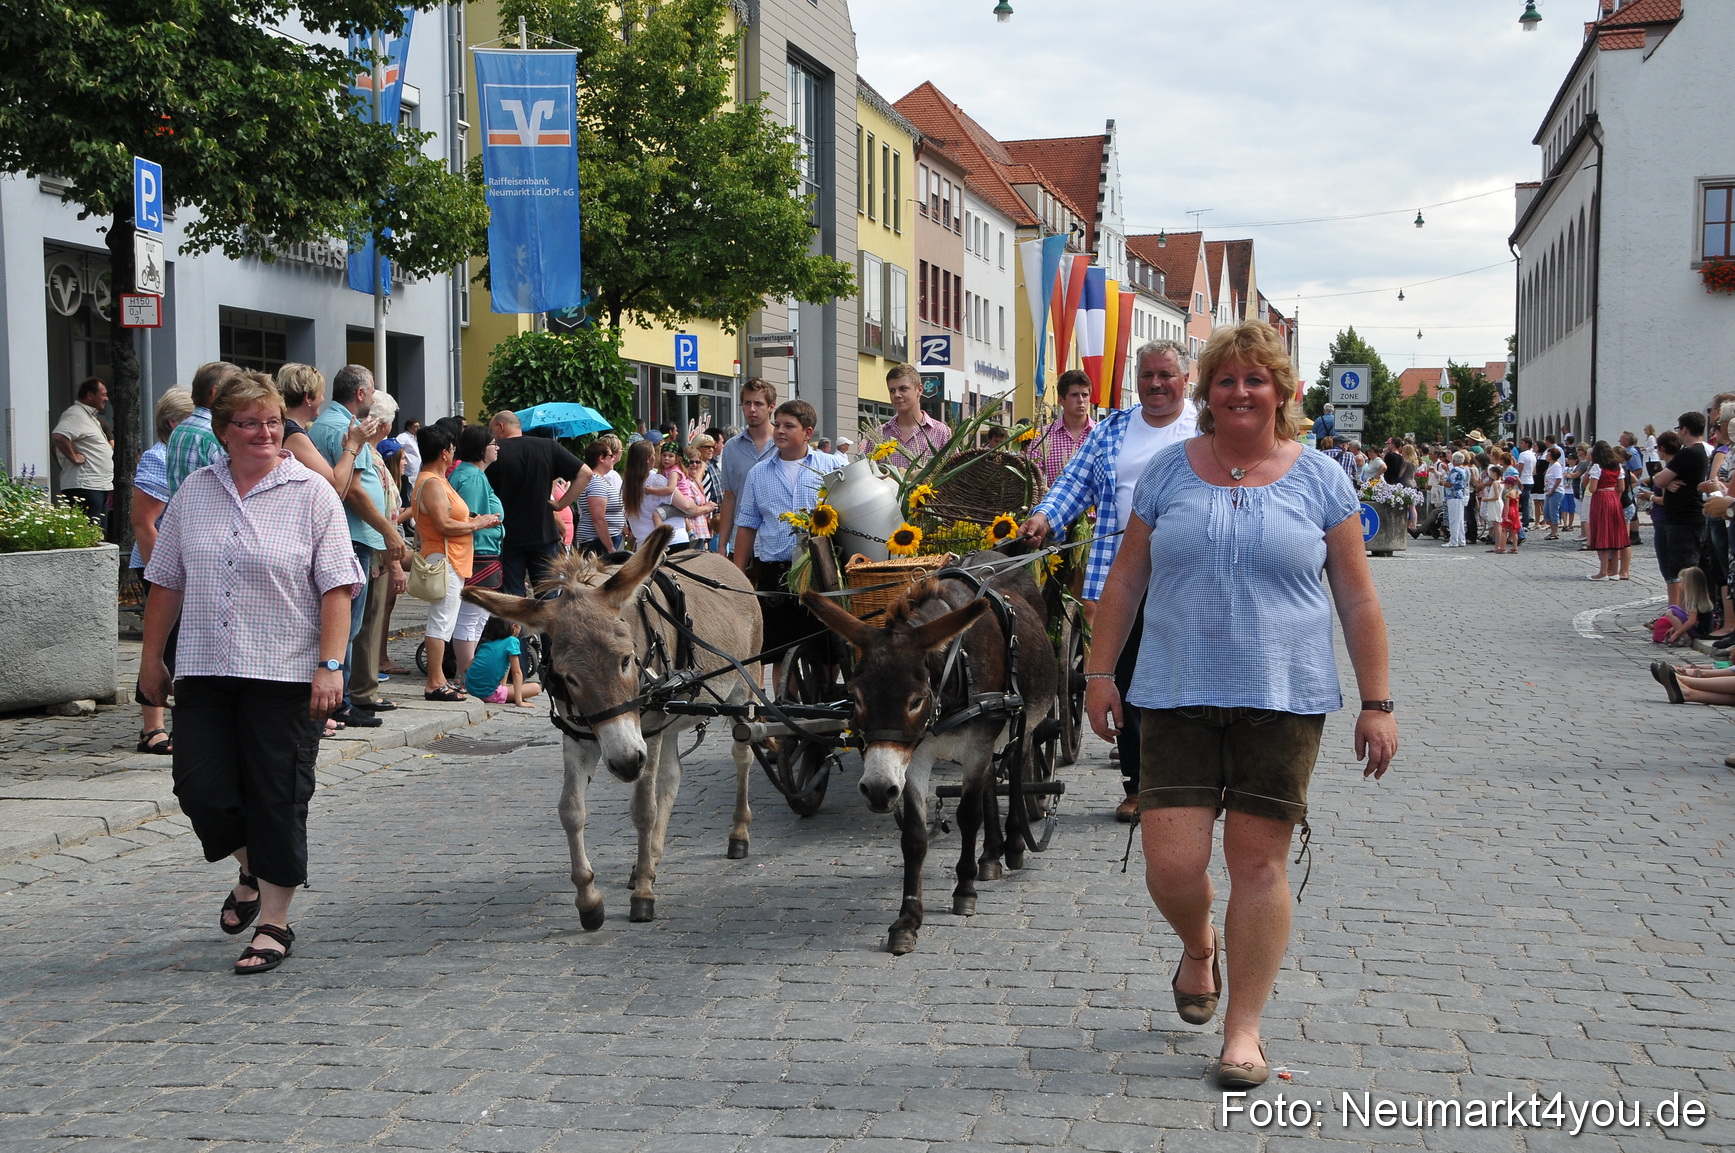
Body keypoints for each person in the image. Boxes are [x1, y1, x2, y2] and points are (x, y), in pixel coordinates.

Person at [1081, 320, 1396, 1089]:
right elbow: (1125, 580)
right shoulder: (1166, 472)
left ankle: (1243, 1029)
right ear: (1206, 393)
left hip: (1282, 697)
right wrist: (1097, 671)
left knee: (1257, 863)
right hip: (1174, 690)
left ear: (1282, 392)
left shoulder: (1319, 477)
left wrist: (1376, 700)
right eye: (1226, 379)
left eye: (1257, 378)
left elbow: (1354, 596)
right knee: (1173, 864)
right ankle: (1199, 943)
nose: (1241, 390)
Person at [138, 372, 364, 975]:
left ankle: (273, 923)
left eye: (272, 422)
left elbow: (339, 586)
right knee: (200, 788)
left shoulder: (312, 493)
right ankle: (249, 866)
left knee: (278, 793)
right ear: (223, 432)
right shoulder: (195, 493)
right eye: (250, 423)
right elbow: (166, 579)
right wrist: (151, 658)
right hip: (206, 669)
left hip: (287, 674)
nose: (265, 433)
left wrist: (330, 665)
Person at [1019, 340, 1200, 823]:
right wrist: (1044, 519)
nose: (1156, 384)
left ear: (1186, 378)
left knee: (1194, 677)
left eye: (1166, 375)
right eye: (1147, 376)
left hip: (1197, 576)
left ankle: (1194, 778)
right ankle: (1139, 785)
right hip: (1124, 574)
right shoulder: (1115, 430)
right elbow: (1074, 484)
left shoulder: (1207, 426)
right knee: (1129, 679)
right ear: (1135, 380)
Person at [306, 366, 404, 728]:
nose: (374, 397)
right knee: (347, 624)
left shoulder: (329, 424)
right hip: (352, 535)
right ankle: (341, 702)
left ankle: (343, 699)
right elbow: (354, 491)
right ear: (361, 394)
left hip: (351, 534)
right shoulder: (348, 428)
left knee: (346, 623)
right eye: (373, 390)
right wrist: (388, 531)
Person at [732, 400, 849, 665]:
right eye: (777, 425)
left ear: (807, 433)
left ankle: (823, 700)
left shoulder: (830, 468)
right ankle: (786, 703)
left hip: (822, 569)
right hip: (777, 572)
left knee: (825, 649)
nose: (780, 431)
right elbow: (747, 525)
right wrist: (738, 576)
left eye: (789, 426)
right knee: (780, 652)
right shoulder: (759, 473)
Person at [128, 387, 195, 756]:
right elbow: (144, 523)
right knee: (161, 643)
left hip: (186, 565)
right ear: (174, 423)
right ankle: (151, 727)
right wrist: (164, 573)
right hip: (161, 566)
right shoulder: (159, 457)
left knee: (181, 646)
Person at [411, 425, 500, 700]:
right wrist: (477, 523)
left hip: (449, 557)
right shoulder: (433, 482)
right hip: (444, 556)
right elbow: (443, 524)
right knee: (441, 620)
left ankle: (438, 679)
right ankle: (435, 681)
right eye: (451, 449)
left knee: (445, 620)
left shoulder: (435, 479)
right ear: (444, 453)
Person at [486, 410, 589, 596]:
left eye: (491, 430)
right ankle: (546, 626)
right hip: (544, 532)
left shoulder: (496, 453)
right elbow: (585, 473)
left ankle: (516, 626)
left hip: (508, 535)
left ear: (501, 427)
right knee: (548, 597)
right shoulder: (548, 447)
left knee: (512, 599)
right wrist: (561, 504)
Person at [449, 425, 506, 685]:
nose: (497, 447)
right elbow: (469, 516)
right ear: (481, 449)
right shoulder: (472, 476)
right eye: (492, 443)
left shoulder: (472, 474)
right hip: (478, 552)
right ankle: (465, 674)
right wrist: (489, 521)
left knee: (478, 614)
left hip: (482, 550)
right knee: (471, 615)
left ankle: (467, 672)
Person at [1652, 411, 1709, 605]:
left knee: (1684, 570)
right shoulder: (1702, 451)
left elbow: (1659, 478)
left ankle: (1684, 612)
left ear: (1685, 429)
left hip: (1684, 519)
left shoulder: (1689, 452)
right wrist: (1667, 484)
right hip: (1690, 516)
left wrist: (1664, 483)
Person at [164, 362, 244, 495]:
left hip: (182, 513)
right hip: (215, 513)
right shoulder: (218, 435)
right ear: (215, 392)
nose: (243, 396)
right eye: (238, 389)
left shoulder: (178, 430)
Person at [718, 378, 779, 552]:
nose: (752, 409)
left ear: (771, 407)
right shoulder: (732, 447)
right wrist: (722, 545)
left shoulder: (783, 444)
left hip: (777, 541)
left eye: (758, 403)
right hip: (743, 542)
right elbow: (729, 498)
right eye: (747, 403)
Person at [51, 376, 115, 531]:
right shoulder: (75, 414)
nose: (106, 398)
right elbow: (59, 437)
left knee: (97, 534)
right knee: (90, 535)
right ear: (90, 395)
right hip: (85, 487)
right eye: (103, 394)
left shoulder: (89, 416)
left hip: (96, 486)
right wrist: (73, 457)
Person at [622, 439, 700, 550]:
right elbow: (689, 507)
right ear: (648, 459)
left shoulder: (626, 486)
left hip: (644, 545)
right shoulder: (657, 481)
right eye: (654, 454)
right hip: (672, 541)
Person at [1028, 370, 1097, 487]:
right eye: (1074, 395)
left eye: (1085, 395)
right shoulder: (1043, 436)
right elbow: (1033, 480)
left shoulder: (1101, 434)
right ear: (1061, 400)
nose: (1081, 400)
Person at [880, 362, 951, 467]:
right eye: (892, 391)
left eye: (903, 389)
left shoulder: (941, 433)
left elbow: (953, 475)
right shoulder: (879, 434)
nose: (897, 395)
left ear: (920, 389)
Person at [462, 617, 543, 707]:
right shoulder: (512, 641)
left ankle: (503, 688)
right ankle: (503, 694)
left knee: (507, 669)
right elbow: (516, 672)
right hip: (488, 694)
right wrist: (519, 701)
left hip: (471, 689)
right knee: (536, 687)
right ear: (514, 626)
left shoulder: (486, 645)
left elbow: (466, 668)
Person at [1584, 440, 1631, 580]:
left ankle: (1603, 572)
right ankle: (1614, 572)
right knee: (1614, 534)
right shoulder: (1618, 466)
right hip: (1614, 499)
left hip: (1601, 498)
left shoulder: (1597, 467)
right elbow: (1621, 488)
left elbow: (1592, 488)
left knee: (1602, 533)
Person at [575, 435, 625, 557]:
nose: (613, 459)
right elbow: (598, 517)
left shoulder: (597, 480)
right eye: (610, 456)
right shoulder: (596, 482)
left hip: (600, 541)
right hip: (597, 542)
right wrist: (610, 547)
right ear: (601, 458)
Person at [1442, 451, 1470, 547]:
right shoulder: (1463, 470)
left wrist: (1442, 483)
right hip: (1460, 495)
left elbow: (1450, 483)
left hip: (1453, 496)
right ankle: (1461, 540)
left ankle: (1453, 541)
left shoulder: (1455, 470)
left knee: (1454, 519)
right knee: (1460, 519)